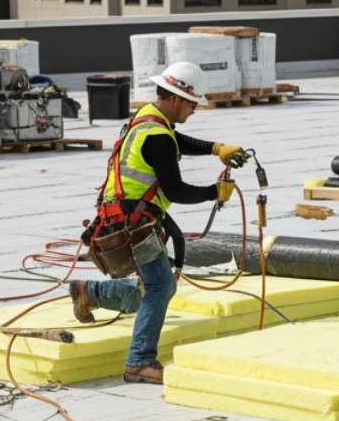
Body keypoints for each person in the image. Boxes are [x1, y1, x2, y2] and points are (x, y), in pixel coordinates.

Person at [71, 61, 243, 385]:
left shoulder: (148, 119)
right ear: (177, 98)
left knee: (154, 285)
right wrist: (214, 192)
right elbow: (175, 190)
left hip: (125, 216)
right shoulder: (159, 137)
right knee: (161, 286)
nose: (193, 110)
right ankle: (140, 361)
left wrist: (216, 149)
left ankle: (89, 292)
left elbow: (176, 142)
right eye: (192, 104)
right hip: (135, 225)